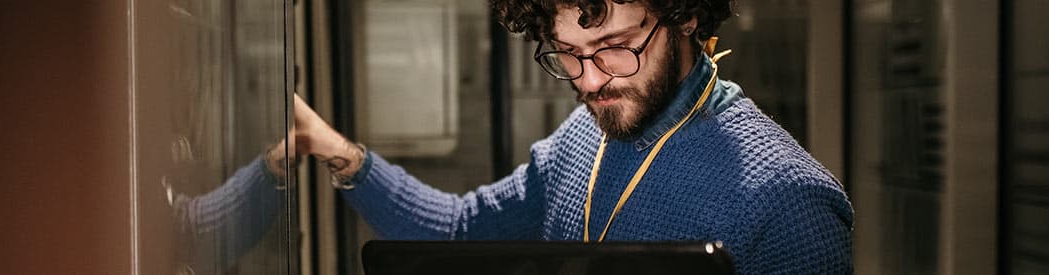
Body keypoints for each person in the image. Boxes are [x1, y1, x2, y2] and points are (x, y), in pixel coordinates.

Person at [275, 0, 855, 273]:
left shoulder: (787, 199)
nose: (592, 81)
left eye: (615, 48)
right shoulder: (581, 137)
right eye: (570, 56)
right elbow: (460, 231)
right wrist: (332, 146)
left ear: (685, 17)